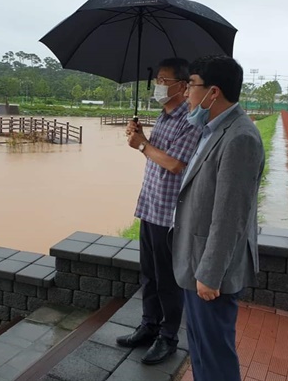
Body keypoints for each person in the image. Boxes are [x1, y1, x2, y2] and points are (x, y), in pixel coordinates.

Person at [172, 55, 264, 381]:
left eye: (191, 85)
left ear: (213, 92)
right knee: (199, 349)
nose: (185, 94)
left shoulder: (240, 138)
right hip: (194, 261)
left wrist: (209, 274)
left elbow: (230, 216)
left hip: (210, 273)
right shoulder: (213, 129)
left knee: (215, 357)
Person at [116, 58, 201, 365]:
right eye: (158, 81)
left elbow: (177, 165)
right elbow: (157, 158)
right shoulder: (163, 116)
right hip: (150, 206)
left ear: (183, 85)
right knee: (149, 275)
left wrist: (142, 146)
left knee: (167, 280)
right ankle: (149, 325)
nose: (159, 87)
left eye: (165, 81)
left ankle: (168, 337)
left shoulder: (190, 121)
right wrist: (142, 138)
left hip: (170, 215)